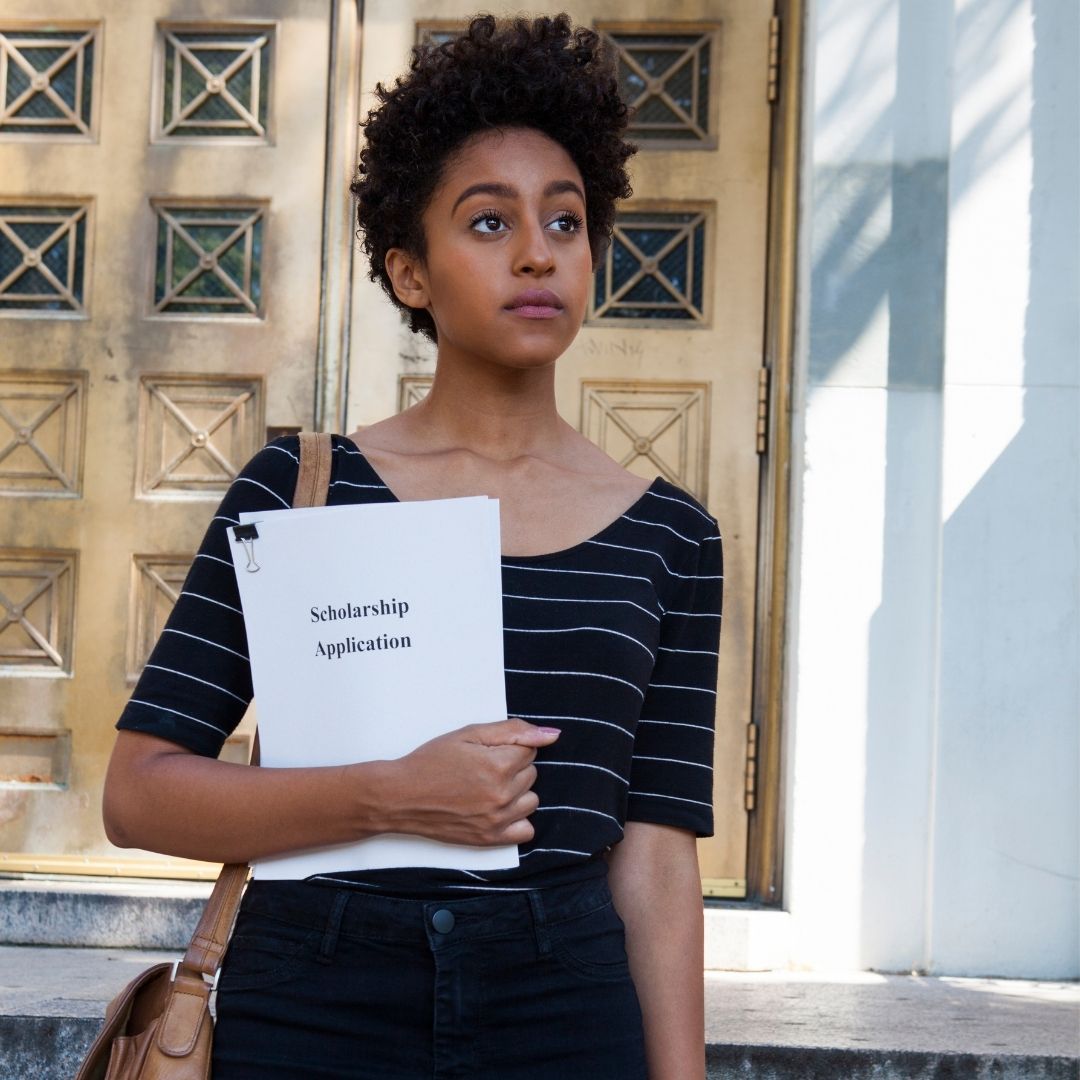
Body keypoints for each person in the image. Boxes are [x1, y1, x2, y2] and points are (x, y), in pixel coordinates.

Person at [103, 14, 722, 1080]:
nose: (538, 250)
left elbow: (658, 863)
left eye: (565, 221)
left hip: (564, 997)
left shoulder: (673, 536)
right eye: (489, 223)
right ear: (410, 273)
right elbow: (139, 792)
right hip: (317, 988)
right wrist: (390, 794)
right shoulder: (302, 493)